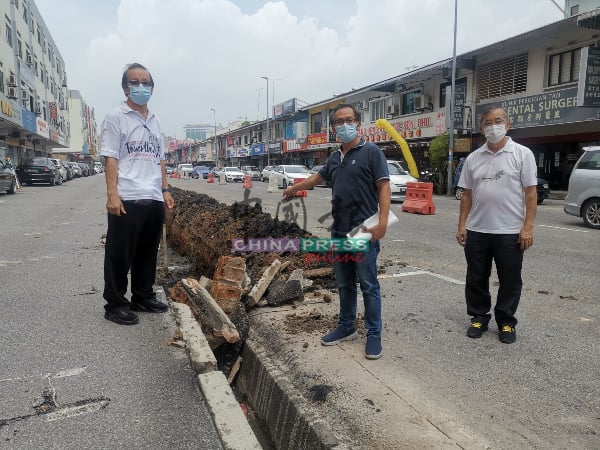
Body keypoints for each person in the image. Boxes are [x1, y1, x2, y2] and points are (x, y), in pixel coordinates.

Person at [283, 104, 391, 359]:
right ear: (333, 128)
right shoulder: (334, 158)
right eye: (339, 122)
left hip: (363, 230)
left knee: (368, 284)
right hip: (339, 231)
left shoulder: (372, 152)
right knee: (344, 283)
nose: (344, 125)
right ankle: (346, 327)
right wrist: (292, 189)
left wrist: (383, 223)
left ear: (358, 123)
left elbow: (384, 188)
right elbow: (316, 179)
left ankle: (373, 333)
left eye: (349, 120)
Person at [100, 63, 174, 325]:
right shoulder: (116, 117)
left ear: (152, 88)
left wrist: (165, 190)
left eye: (146, 82)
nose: (140, 87)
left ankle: (142, 296)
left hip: (153, 197)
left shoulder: (155, 121)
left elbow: (161, 159)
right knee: (120, 254)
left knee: (147, 251)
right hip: (128, 196)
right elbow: (110, 158)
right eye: (135, 82)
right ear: (125, 87)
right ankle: (115, 304)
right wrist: (112, 195)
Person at [456, 105, 537, 344]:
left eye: (498, 121)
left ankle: (506, 322)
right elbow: (467, 194)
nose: (494, 126)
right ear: (482, 128)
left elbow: (530, 193)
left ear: (507, 125)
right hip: (478, 230)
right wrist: (462, 225)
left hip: (510, 231)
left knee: (510, 279)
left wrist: (528, 227)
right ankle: (479, 316)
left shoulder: (522, 154)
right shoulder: (474, 158)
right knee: (476, 277)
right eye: (488, 122)